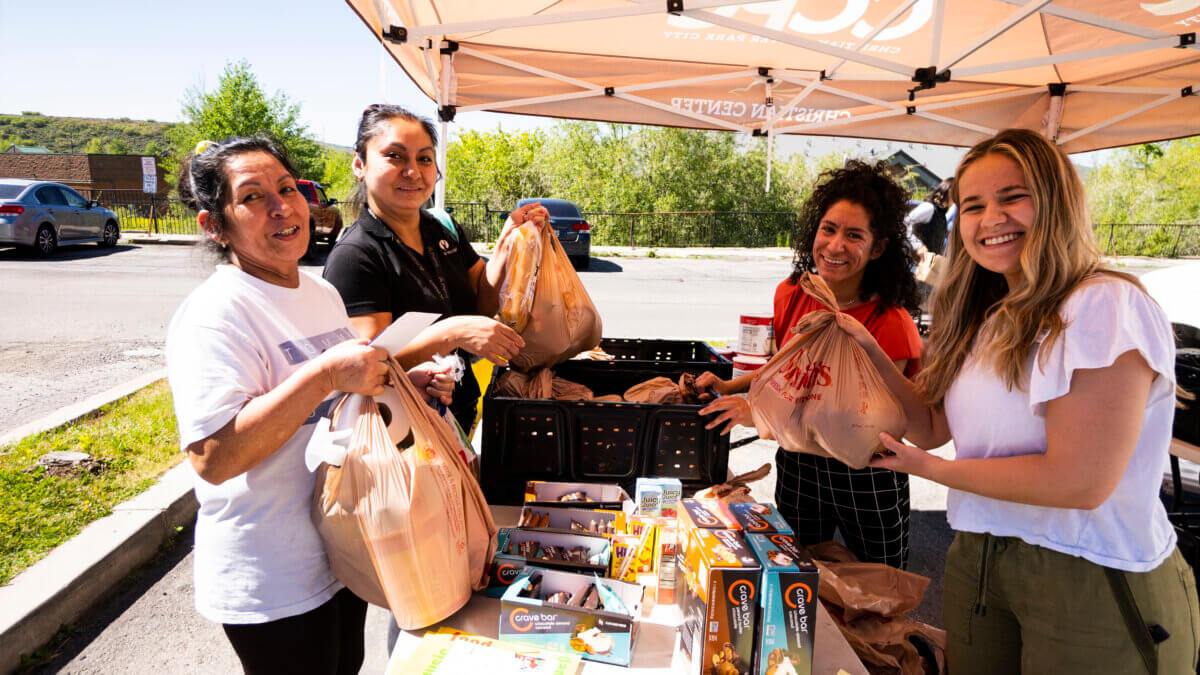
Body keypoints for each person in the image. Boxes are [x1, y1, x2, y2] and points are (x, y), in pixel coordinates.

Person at [845, 128, 1199, 673]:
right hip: (981, 557)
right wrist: (864, 344)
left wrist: (930, 470)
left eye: (1013, 197)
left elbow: (1078, 482)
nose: (990, 220)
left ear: (1057, 201)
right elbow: (932, 424)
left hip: (1091, 572)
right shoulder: (985, 312)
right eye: (973, 205)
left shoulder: (1102, 304)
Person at [166, 137, 451, 675]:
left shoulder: (320, 294)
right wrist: (322, 375)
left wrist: (401, 381)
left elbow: (337, 397)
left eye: (287, 188)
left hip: (339, 549)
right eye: (252, 198)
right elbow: (213, 457)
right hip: (271, 576)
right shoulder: (216, 314)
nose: (282, 208)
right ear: (214, 224)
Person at [698, 159, 922, 567]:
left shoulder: (892, 325)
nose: (835, 246)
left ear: (879, 247)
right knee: (794, 576)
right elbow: (786, 375)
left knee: (879, 587)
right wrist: (730, 387)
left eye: (854, 235)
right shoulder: (792, 294)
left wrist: (760, 413)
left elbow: (863, 425)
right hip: (799, 468)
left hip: (867, 475)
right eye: (828, 229)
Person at [323, 104, 548, 432]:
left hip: (457, 412)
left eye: (424, 158)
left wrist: (508, 242)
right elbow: (367, 364)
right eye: (395, 156)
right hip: (401, 431)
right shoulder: (356, 255)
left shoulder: (441, 229)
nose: (413, 171)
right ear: (359, 165)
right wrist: (452, 332)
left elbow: (484, 304)